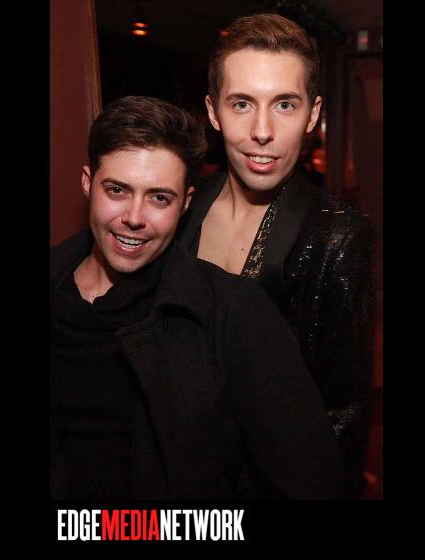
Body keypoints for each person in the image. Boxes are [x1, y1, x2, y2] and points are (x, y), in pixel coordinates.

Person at [50, 95, 342, 500]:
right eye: (117, 190)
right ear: (88, 183)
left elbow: (311, 479)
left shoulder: (233, 312)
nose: (133, 217)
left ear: (185, 203)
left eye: (159, 198)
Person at [176, 14, 376, 499]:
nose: (262, 131)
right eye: (242, 103)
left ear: (312, 115)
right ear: (213, 112)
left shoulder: (338, 236)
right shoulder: (181, 208)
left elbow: (342, 415)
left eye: (284, 105)